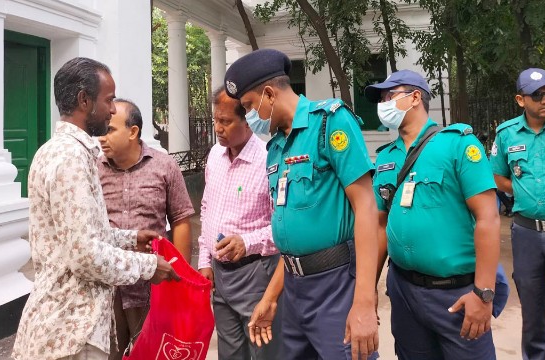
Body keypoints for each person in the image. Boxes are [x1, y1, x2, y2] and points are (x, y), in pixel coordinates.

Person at [12, 57, 180, 360]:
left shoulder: (52, 151)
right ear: (84, 100)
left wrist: (129, 238)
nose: (113, 109)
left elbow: (79, 235)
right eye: (109, 100)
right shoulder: (72, 160)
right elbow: (86, 256)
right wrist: (149, 267)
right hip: (71, 330)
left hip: (63, 325)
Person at [226, 49, 380, 360]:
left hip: (335, 286)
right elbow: (292, 236)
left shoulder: (329, 123)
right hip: (294, 290)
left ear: (269, 94)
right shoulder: (276, 148)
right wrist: (270, 298)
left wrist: (364, 300)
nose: (250, 116)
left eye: (249, 106)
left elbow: (366, 208)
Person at [368, 70, 502, 359]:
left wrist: (484, 294)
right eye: (381, 98)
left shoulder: (457, 144)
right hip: (403, 291)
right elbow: (379, 226)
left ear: (415, 97)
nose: (383, 103)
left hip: (456, 293)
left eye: (390, 95)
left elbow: (488, 219)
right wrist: (369, 292)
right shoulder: (386, 157)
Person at [97, 99, 194, 360]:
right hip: (107, 289)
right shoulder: (93, 170)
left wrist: (179, 279)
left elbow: (181, 219)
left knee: (153, 352)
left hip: (152, 287)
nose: (102, 138)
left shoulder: (164, 166)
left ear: (133, 132)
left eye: (110, 130)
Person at [490, 68, 545, 360]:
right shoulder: (507, 134)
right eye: (537, 96)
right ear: (521, 100)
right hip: (527, 235)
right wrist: (520, 192)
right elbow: (496, 175)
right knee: (532, 309)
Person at [197, 87, 281, 359]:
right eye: (215, 121)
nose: (218, 128)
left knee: (263, 350)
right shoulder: (214, 156)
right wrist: (204, 261)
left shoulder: (269, 160)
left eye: (225, 121)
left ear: (247, 120)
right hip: (220, 277)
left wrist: (247, 242)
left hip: (255, 275)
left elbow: (282, 226)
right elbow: (207, 209)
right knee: (230, 353)